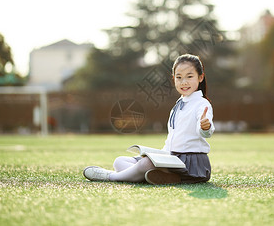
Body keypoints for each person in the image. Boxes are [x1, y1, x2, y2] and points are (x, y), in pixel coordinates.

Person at [83, 54, 215, 185]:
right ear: (174, 79)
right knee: (119, 161)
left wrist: (205, 127)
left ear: (200, 77)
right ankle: (162, 177)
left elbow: (206, 131)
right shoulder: (179, 104)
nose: (184, 82)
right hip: (172, 156)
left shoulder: (202, 104)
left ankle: (111, 176)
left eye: (189, 76)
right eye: (179, 77)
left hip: (190, 162)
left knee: (146, 163)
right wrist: (159, 155)